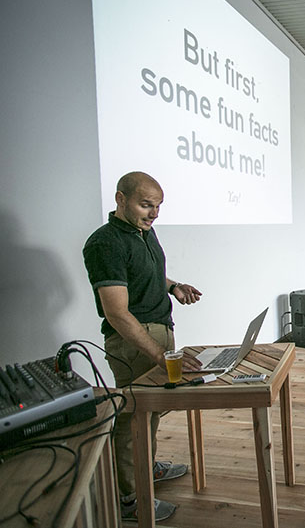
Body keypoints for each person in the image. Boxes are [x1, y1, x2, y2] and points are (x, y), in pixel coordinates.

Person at [83, 171, 203, 522]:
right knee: (133, 416)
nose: (154, 214)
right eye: (146, 205)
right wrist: (160, 355)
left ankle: (146, 469)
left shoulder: (142, 231)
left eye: (158, 206)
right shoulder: (105, 243)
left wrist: (173, 286)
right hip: (134, 342)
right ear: (121, 199)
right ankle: (130, 499)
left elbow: (143, 273)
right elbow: (117, 313)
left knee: (148, 414)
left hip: (159, 333)